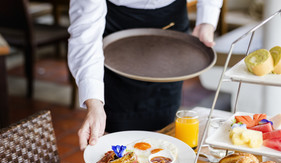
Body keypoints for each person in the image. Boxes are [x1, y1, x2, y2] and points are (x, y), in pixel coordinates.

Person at [68, 0, 223, 151]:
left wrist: (207, 20)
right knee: (117, 134)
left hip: (170, 31)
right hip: (117, 34)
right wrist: (94, 103)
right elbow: (85, 34)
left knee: (165, 125)